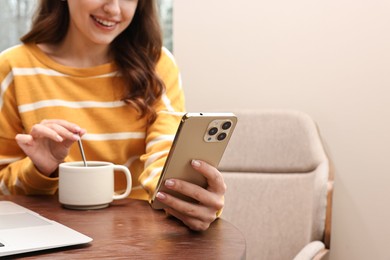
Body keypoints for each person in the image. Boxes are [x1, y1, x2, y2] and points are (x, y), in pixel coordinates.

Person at [0, 0, 226, 231]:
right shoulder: (13, 68)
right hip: (47, 240)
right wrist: (40, 170)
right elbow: (2, 191)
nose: (114, 10)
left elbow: (164, 155)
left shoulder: (158, 65)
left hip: (137, 240)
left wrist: (188, 196)